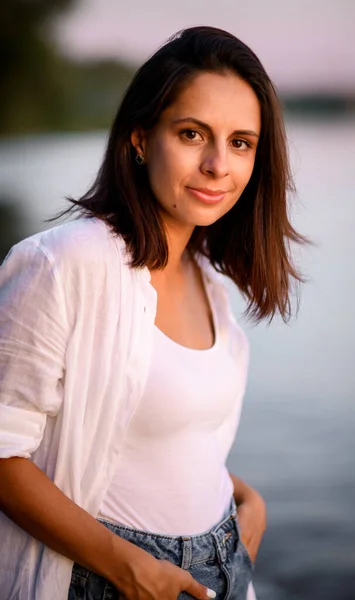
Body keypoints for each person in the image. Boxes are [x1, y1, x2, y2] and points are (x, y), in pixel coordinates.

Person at [0, 26, 306, 600]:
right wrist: (128, 567)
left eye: (241, 142)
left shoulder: (212, 284)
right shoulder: (64, 264)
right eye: (193, 134)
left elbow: (157, 438)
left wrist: (246, 498)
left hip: (224, 566)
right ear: (141, 138)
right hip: (106, 578)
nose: (218, 164)